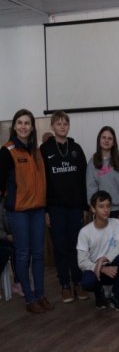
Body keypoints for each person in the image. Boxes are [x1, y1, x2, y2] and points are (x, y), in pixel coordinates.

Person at [0, 109, 52, 313]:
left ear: (32, 127)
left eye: (27, 123)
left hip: (38, 210)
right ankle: (29, 298)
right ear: (14, 126)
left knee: (38, 254)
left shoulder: (37, 151)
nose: (23, 126)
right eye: (20, 123)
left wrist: (45, 208)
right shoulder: (7, 151)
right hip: (19, 212)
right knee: (23, 255)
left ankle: (40, 294)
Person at [40, 110, 89, 303]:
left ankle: (78, 283)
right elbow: (42, 182)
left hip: (75, 207)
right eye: (58, 123)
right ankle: (65, 285)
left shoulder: (76, 148)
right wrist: (45, 209)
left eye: (65, 123)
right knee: (60, 247)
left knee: (76, 246)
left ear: (68, 126)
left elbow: (83, 178)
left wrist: (85, 207)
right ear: (52, 126)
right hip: (55, 208)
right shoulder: (44, 150)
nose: (62, 126)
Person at [77, 191, 119, 311]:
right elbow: (82, 262)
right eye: (101, 206)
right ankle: (99, 294)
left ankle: (117, 296)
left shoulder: (115, 223)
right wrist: (101, 267)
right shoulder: (85, 232)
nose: (106, 210)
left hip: (112, 268)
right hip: (96, 270)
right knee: (87, 282)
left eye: (108, 206)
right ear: (93, 209)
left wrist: (103, 259)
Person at [86, 126, 119, 225]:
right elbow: (91, 189)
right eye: (104, 137)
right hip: (100, 211)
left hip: (117, 211)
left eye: (110, 138)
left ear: (113, 142)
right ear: (99, 140)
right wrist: (96, 210)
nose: (106, 140)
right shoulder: (92, 163)